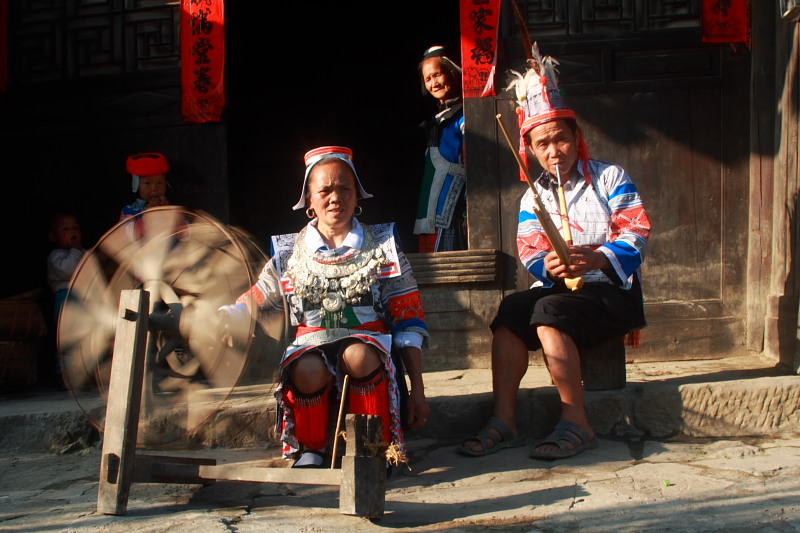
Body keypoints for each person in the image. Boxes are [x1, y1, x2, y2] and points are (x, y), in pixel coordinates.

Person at [457, 44, 651, 460]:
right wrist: (546, 263)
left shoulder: (609, 177)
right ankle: (504, 418)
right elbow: (529, 247)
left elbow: (637, 232)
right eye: (543, 144)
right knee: (511, 311)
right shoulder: (532, 197)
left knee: (548, 311)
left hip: (610, 292)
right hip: (561, 290)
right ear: (530, 149)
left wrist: (598, 257)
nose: (554, 151)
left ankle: (576, 421)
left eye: (561, 138)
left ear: (576, 137)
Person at [219, 146, 431, 469]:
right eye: (325, 190)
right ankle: (311, 449)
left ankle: (372, 446)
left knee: (359, 355)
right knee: (305, 366)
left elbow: (408, 320)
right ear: (309, 199)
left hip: (368, 353)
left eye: (345, 189)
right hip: (312, 349)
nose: (336, 198)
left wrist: (418, 389)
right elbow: (258, 298)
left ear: (357, 196)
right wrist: (224, 317)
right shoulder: (289, 253)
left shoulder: (383, 245)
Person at [413, 45, 467, 253]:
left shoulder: (465, 117)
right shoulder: (438, 121)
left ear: (452, 73)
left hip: (453, 215)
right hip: (429, 215)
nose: (434, 83)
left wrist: (467, 214)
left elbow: (475, 170)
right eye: (428, 79)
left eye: (438, 75)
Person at [46, 207, 86, 324]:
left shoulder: (82, 252)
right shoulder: (55, 257)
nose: (72, 232)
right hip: (67, 302)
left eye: (75, 228)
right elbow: (70, 270)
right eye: (65, 229)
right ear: (53, 236)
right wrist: (75, 250)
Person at [120, 152, 171, 222]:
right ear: (137, 185)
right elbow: (128, 231)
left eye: (160, 183)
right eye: (147, 183)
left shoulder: (171, 208)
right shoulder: (129, 211)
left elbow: (184, 229)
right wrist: (150, 214)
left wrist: (169, 213)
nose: (154, 189)